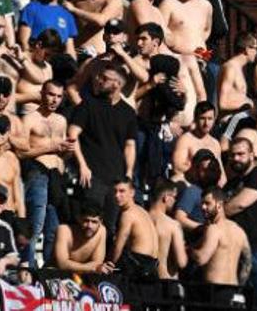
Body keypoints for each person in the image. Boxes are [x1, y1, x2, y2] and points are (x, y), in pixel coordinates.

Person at [69, 63, 137, 233]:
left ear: (117, 85)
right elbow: (72, 135)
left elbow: (130, 145)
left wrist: (128, 172)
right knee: (89, 226)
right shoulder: (88, 105)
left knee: (111, 227)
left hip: (116, 179)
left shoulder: (128, 113)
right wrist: (82, 166)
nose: (99, 80)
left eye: (105, 78)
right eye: (100, 76)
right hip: (92, 177)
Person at [18, 79, 73, 265]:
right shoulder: (29, 119)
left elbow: (61, 153)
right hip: (37, 173)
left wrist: (67, 153)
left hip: (57, 176)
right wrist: (50, 147)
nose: (54, 100)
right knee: (36, 225)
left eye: (58, 96)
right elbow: (21, 152)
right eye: (51, 94)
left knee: (54, 229)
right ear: (42, 93)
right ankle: (28, 267)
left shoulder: (61, 120)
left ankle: (49, 270)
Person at [224, 136, 257, 310]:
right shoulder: (231, 183)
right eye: (233, 155)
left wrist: (218, 212)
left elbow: (240, 204)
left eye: (241, 154)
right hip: (234, 249)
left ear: (252, 155)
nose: (236, 158)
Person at [192, 187, 252, 299]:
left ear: (219, 205)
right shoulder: (239, 230)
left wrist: (189, 250)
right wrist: (239, 288)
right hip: (233, 291)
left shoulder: (214, 229)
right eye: (202, 204)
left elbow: (201, 259)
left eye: (207, 203)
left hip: (214, 292)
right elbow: (247, 262)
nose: (203, 207)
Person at [110, 178, 159, 279]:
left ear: (132, 193)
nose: (117, 195)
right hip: (153, 267)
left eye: (122, 191)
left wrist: (110, 266)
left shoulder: (127, 215)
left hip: (138, 266)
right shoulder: (142, 210)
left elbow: (118, 247)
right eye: (115, 191)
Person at [52, 203, 113, 275]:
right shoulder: (64, 230)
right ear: (79, 219)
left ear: (100, 222)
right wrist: (92, 268)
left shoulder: (101, 231)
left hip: (84, 276)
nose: (89, 226)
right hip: (58, 275)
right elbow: (62, 264)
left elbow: (97, 262)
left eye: (94, 222)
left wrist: (95, 267)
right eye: (86, 221)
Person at [218, 33, 257, 131]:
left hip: (237, 121)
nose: (256, 52)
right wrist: (248, 103)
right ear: (246, 49)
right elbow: (223, 103)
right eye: (255, 48)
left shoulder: (237, 68)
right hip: (228, 123)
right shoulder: (230, 68)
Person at [146, 180, 188, 281]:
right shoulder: (172, 225)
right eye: (174, 197)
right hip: (166, 281)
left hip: (143, 282)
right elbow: (181, 262)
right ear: (166, 197)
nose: (175, 201)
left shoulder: (140, 219)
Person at [173, 101, 221, 182]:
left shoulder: (215, 143)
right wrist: (201, 171)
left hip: (210, 186)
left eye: (210, 119)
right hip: (190, 183)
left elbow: (221, 173)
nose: (206, 123)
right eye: (202, 118)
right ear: (195, 119)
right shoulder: (185, 139)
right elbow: (177, 168)